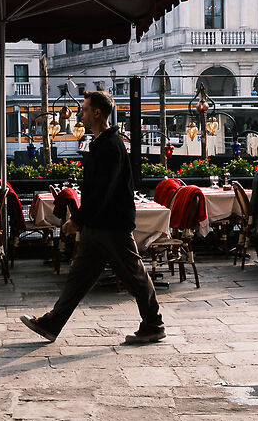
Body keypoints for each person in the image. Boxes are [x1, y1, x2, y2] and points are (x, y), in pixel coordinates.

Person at [20, 91, 166, 346]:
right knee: (79, 278)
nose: (81, 114)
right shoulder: (105, 143)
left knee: (135, 274)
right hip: (100, 224)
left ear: (97, 113)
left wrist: (78, 218)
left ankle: (153, 324)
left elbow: (103, 190)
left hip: (110, 225)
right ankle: (52, 323)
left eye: (85, 109)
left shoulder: (109, 146)